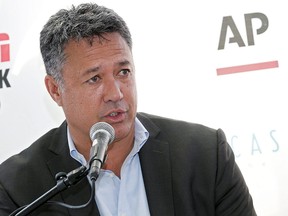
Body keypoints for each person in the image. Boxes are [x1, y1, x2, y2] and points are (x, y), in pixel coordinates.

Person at [0, 3, 257, 216]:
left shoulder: (205, 155)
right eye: (94, 79)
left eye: (123, 72)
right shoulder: (17, 188)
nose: (116, 94)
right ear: (55, 90)